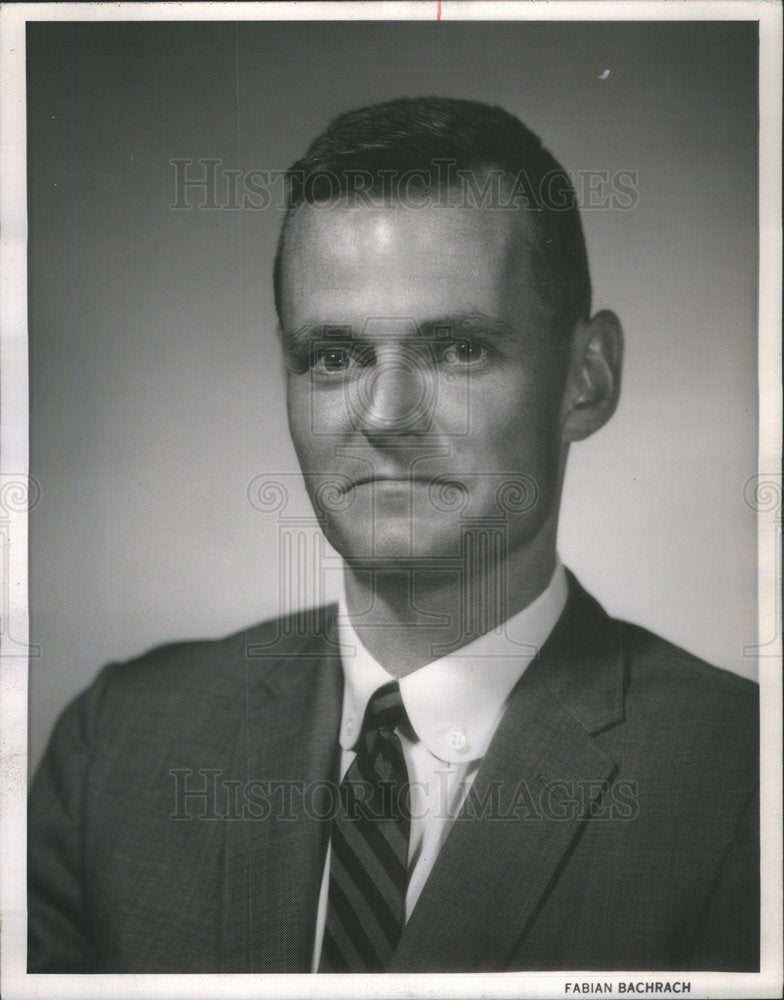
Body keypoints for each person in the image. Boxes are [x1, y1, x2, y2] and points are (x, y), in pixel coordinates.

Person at [28, 97, 759, 974]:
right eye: (332, 357)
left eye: (458, 350)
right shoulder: (118, 746)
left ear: (587, 378)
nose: (384, 416)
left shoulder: (749, 785)